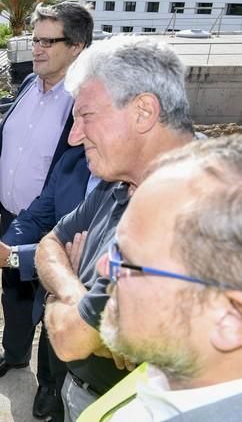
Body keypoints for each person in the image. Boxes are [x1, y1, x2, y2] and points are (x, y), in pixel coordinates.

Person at [35, 36, 196, 421]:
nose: (74, 136)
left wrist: (55, 301)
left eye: (86, 116)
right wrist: (74, 290)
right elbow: (50, 242)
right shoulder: (117, 184)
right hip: (85, 395)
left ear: (143, 112)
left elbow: (68, 338)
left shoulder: (191, 205)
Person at [0, 1, 94, 419]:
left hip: (59, 229)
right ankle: (13, 355)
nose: (38, 48)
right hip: (16, 216)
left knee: (53, 305)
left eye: (48, 41)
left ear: (78, 47)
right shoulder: (29, 84)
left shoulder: (83, 103)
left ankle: (49, 383)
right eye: (35, 39)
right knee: (14, 294)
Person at [80, 134, 242, 421]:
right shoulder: (172, 365)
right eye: (115, 247)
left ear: (230, 318)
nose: (104, 266)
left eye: (129, 261)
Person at [0, 146, 96, 420]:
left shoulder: (143, 183)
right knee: (52, 343)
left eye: (86, 116)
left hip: (102, 329)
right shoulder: (73, 159)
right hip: (58, 294)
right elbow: (40, 214)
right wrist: (4, 248)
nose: (72, 133)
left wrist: (11, 257)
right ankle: (49, 386)